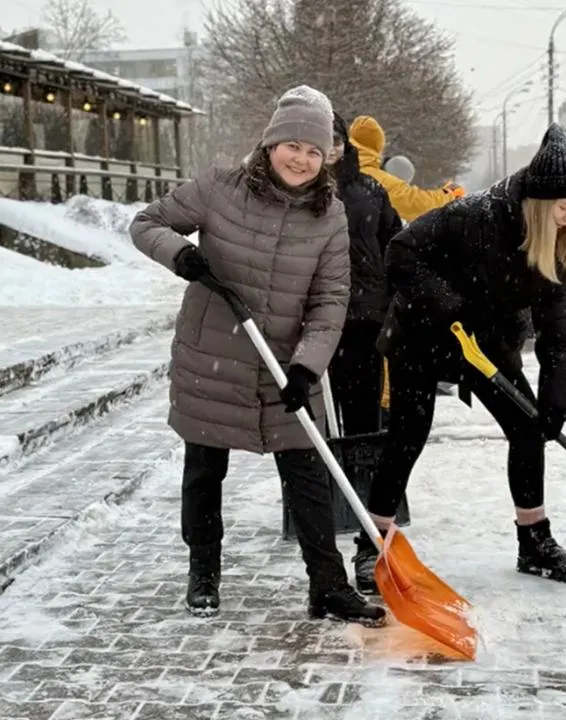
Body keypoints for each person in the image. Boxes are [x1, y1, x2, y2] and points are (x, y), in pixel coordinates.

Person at [129, 85, 385, 626]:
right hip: (213, 354)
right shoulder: (220, 188)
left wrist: (308, 365)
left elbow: (330, 298)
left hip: (286, 363)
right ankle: (203, 569)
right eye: (292, 145)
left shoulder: (329, 216)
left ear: (327, 158)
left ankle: (329, 587)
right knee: (204, 469)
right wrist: (183, 256)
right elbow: (146, 223)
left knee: (309, 474)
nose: (302, 158)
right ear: (270, 143)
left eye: (315, 151)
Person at [353, 123, 566, 594]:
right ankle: (371, 542)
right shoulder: (475, 214)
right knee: (407, 435)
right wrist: (447, 304)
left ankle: (535, 542)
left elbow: (562, 321)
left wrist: (559, 397)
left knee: (528, 429)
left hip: (487, 344)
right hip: (421, 336)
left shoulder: (557, 242)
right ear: (541, 202)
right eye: (565, 207)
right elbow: (400, 253)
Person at [325, 111, 402, 436]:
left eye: (336, 140)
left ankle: (364, 483)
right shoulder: (291, 192)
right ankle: (326, 485)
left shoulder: (370, 189)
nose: (330, 149)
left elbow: (394, 244)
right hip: (312, 322)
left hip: (364, 317)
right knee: (319, 424)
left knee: (364, 419)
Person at [348, 115, 463, 222]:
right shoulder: (376, 179)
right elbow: (417, 204)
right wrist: (449, 194)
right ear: (378, 145)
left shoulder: (336, 167)